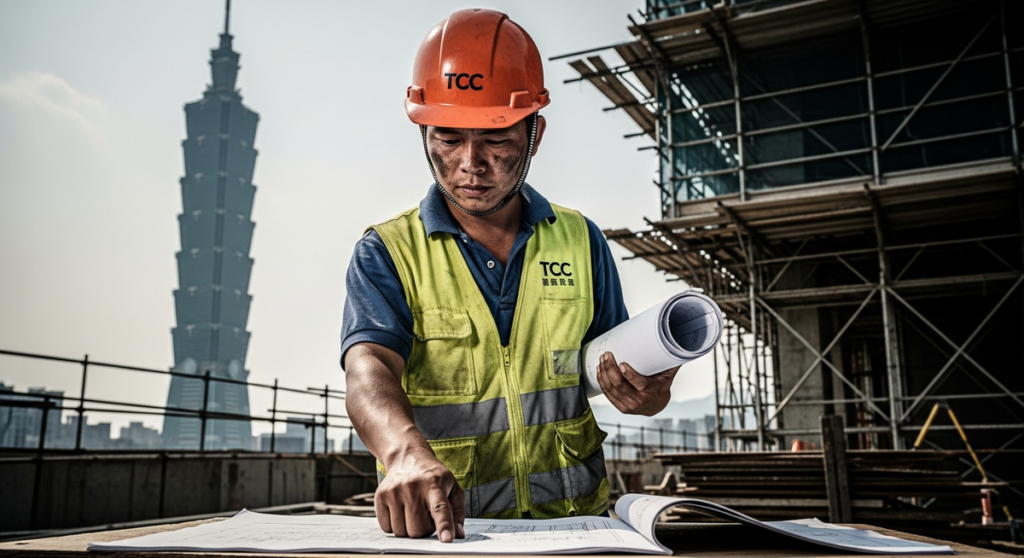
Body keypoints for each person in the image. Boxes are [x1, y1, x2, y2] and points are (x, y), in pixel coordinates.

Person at [341, 8, 680, 543]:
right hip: (452, 535)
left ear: (535, 132)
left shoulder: (580, 241)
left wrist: (648, 393)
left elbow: (614, 369)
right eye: (448, 138)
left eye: (495, 138)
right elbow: (367, 368)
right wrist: (404, 454)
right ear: (424, 129)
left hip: (578, 531)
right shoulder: (388, 252)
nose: (471, 163)